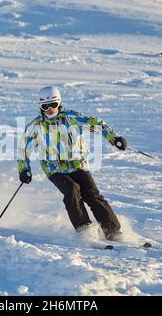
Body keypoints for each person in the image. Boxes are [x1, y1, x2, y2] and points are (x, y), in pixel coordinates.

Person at [17, 86, 128, 241]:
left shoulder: (72, 118)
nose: (50, 110)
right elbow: (23, 148)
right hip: (53, 167)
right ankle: (84, 229)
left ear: (59, 103)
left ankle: (112, 230)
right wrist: (24, 169)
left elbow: (96, 124)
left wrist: (114, 138)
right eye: (45, 106)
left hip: (77, 164)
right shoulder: (36, 126)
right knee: (71, 190)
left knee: (92, 194)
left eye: (53, 105)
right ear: (40, 107)